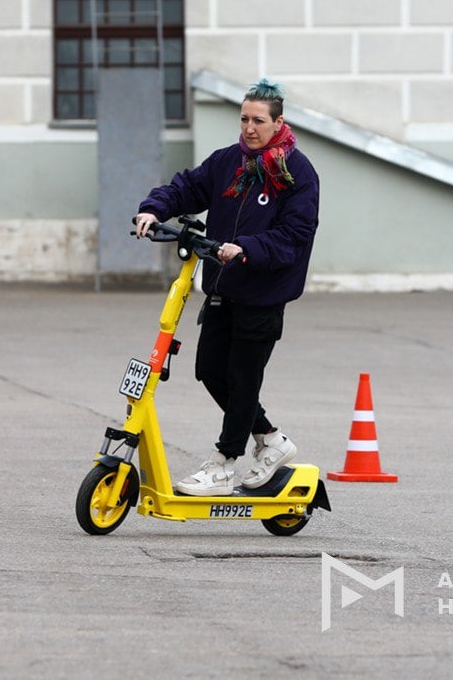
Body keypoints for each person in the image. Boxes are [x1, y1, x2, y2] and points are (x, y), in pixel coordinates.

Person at [134, 78, 320, 496]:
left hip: (263, 294)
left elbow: (296, 233)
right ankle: (271, 440)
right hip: (222, 286)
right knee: (211, 371)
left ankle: (223, 463)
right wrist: (152, 209)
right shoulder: (227, 162)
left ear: (278, 123)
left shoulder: (297, 174)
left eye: (258, 120)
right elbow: (187, 187)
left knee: (243, 376)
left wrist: (247, 248)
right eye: (244, 118)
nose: (249, 127)